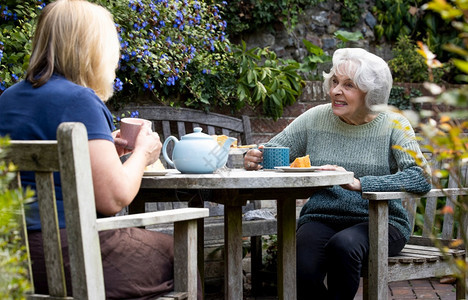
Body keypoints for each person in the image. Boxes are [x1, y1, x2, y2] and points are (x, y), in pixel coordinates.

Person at [0, 1, 201, 299]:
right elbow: (114, 198)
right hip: (74, 255)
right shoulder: (81, 100)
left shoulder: (7, 99)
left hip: (15, 259)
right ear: (91, 49)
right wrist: (142, 154)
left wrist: (102, 147)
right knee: (177, 255)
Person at [244, 48, 432, 299]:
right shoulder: (315, 118)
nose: (335, 91)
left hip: (381, 222)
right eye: (334, 82)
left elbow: (420, 176)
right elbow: (275, 150)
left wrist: (360, 183)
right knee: (300, 264)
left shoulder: (393, 124)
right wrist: (255, 157)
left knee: (343, 246)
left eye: (348, 85)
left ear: (370, 92)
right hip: (322, 217)